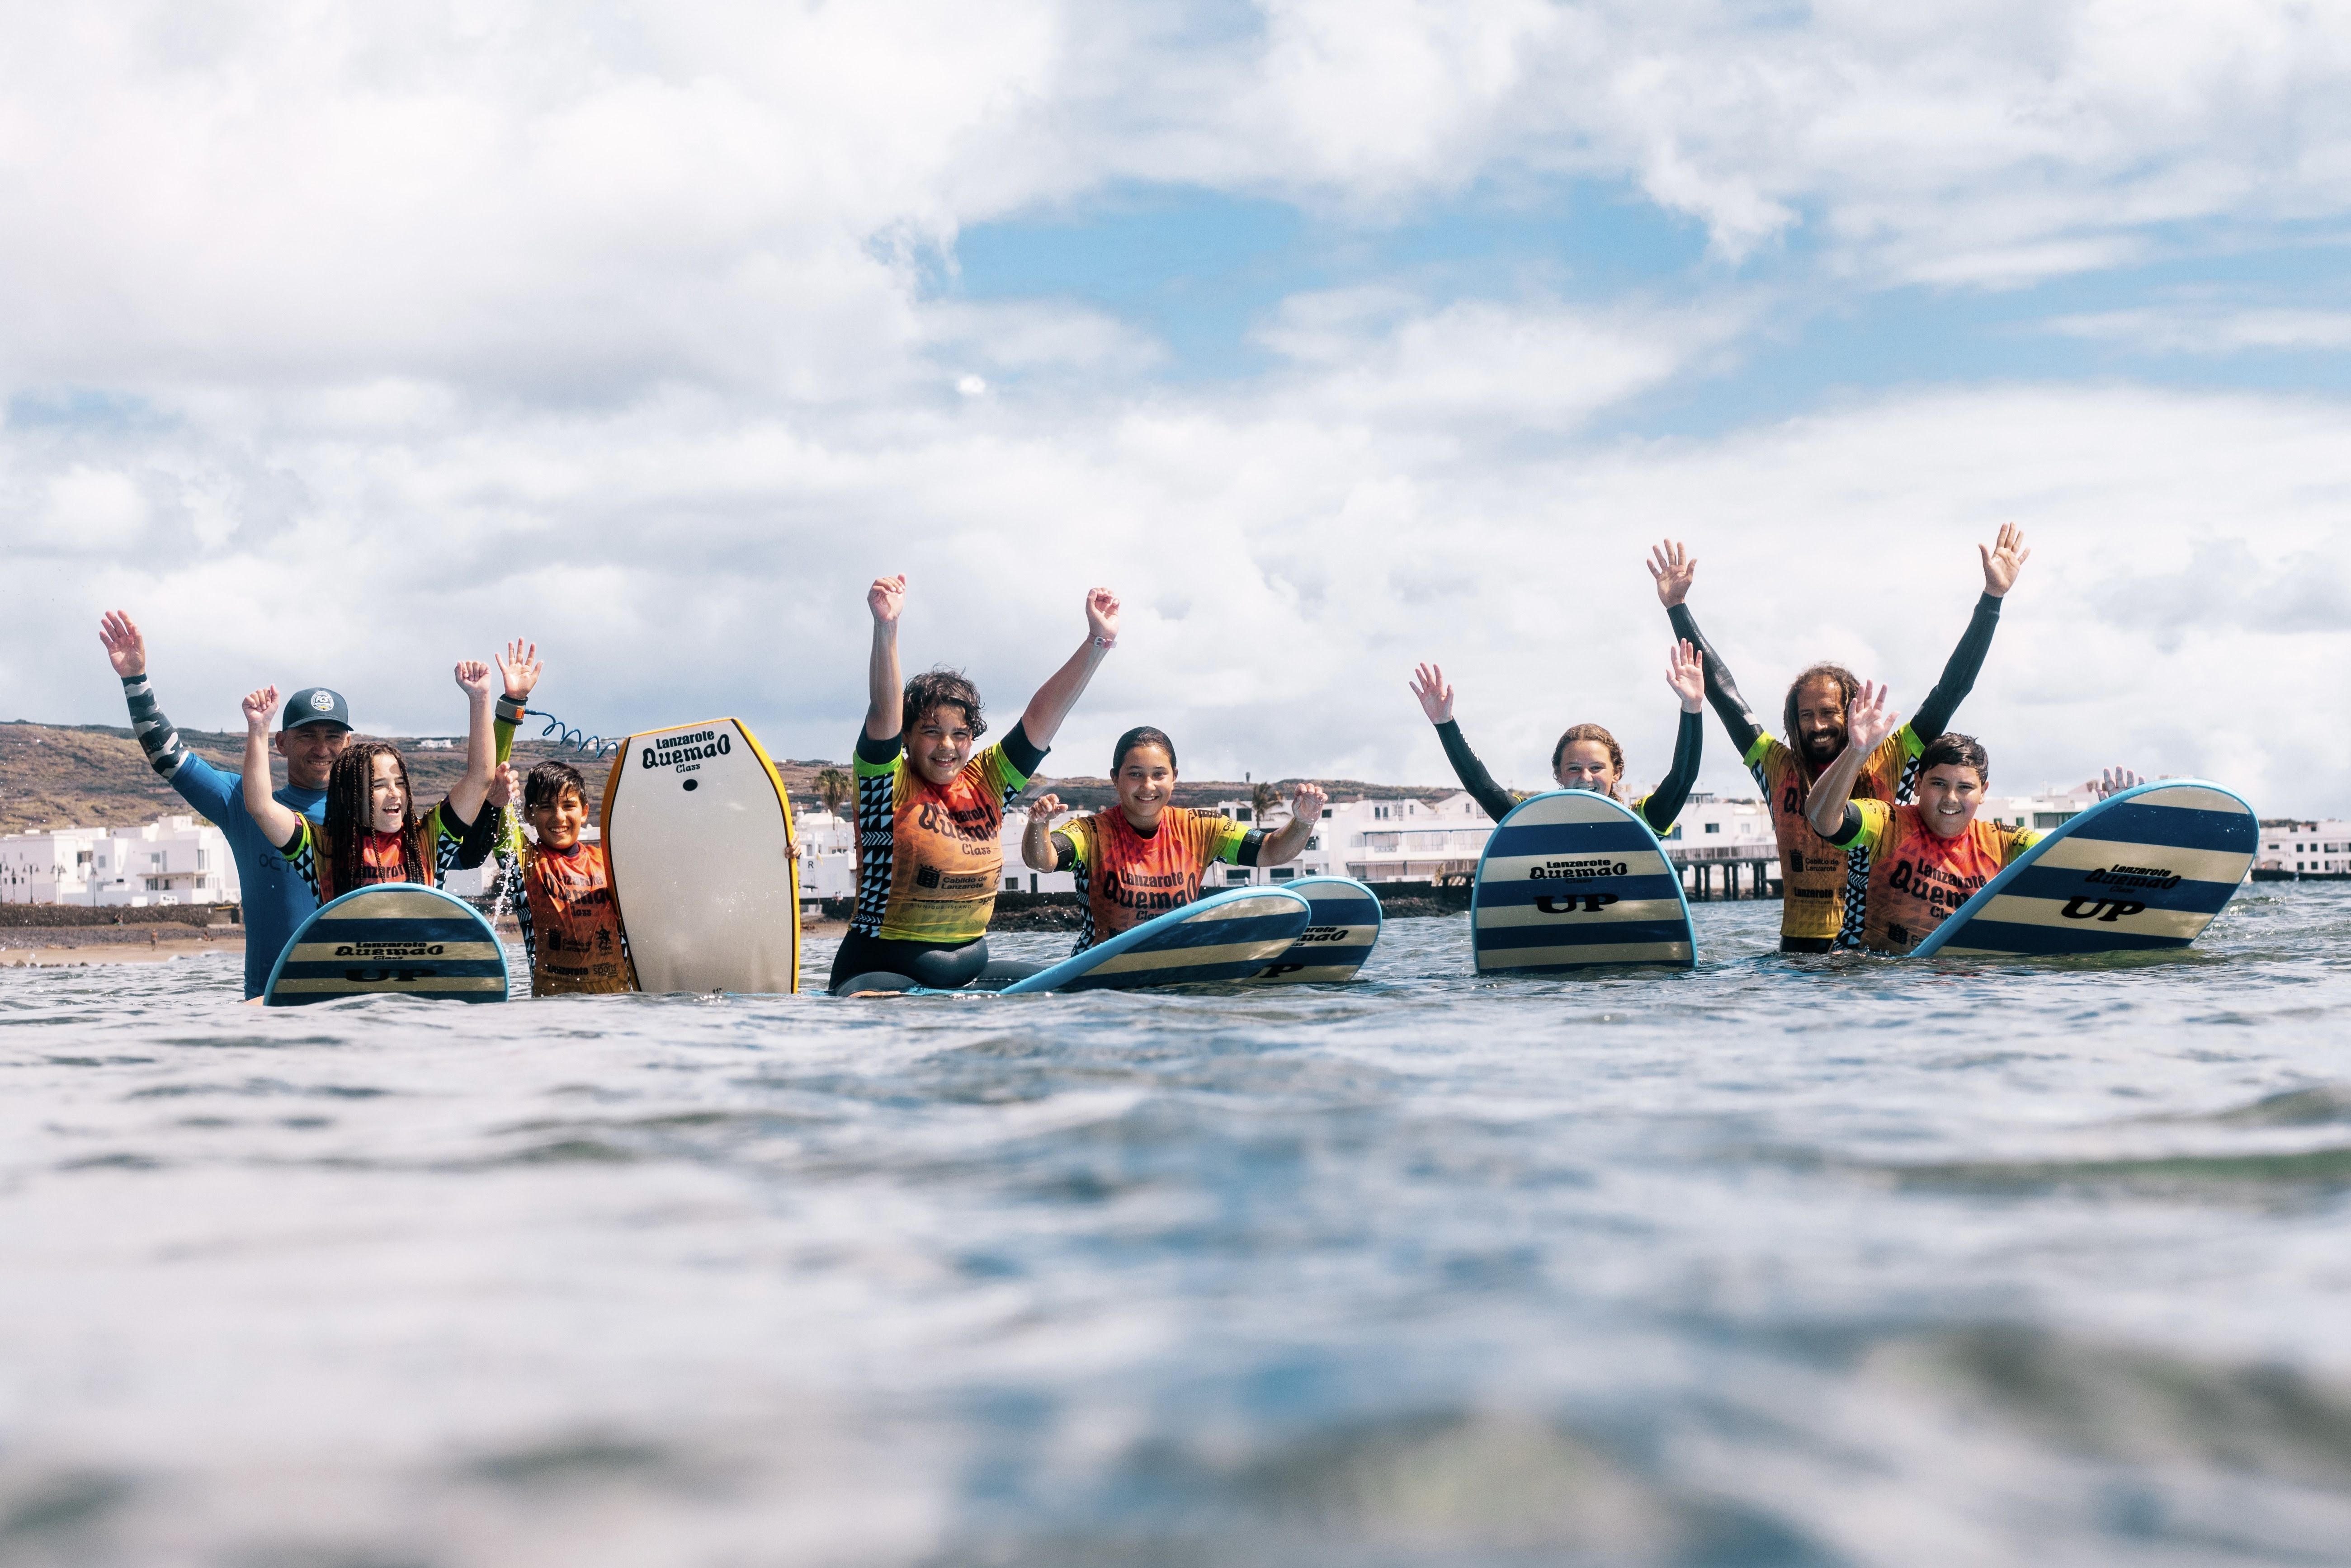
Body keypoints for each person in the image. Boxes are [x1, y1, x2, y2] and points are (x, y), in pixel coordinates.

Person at [1650, 526, 2030, 952]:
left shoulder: (1892, 756)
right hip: (1796, 952)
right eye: (1806, 716)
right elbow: (1724, 692)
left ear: (1851, 710)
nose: (1817, 726)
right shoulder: (1776, 767)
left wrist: (1992, 599)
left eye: (1829, 713)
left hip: (1867, 953)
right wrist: (1677, 608)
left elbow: (1952, 689)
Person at [831, 574, 1121, 994]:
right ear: (908, 738)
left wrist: (1098, 642)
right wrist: (887, 628)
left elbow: (1040, 719)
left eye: (960, 734)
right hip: (879, 974)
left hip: (968, 976)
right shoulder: (886, 786)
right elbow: (884, 712)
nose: (947, 746)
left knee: (1071, 993)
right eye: (931, 731)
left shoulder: (987, 781)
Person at [99, 610, 350, 1000]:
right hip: (269, 1007)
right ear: (281, 743)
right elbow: (170, 759)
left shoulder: (373, 813)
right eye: (308, 736)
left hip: (355, 1007)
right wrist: (135, 679)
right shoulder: (244, 802)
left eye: (333, 736)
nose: (322, 747)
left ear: (347, 744)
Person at [1021, 727, 1330, 954]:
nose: (1148, 786)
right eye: (1135, 774)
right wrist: (1038, 826)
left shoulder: (1202, 828)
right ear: (1115, 778)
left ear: (1174, 776)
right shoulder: (1091, 832)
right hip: (1100, 975)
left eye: (1159, 774)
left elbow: (1272, 850)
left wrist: (1303, 822)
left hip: (1174, 962)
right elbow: (1042, 859)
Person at [236, 656, 508, 905]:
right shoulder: (321, 849)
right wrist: (259, 728)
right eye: (379, 785)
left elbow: (480, 777)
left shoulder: (430, 838)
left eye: (400, 783)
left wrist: (480, 698)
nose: (395, 794)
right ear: (352, 795)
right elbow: (261, 806)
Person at [1803, 682, 2039, 953]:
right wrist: (1856, 753)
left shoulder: (2002, 843)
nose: (1951, 798)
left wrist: (2099, 829)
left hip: (1963, 985)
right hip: (1867, 977)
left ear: (1983, 792)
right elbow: (1821, 819)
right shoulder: (1886, 824)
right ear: (1917, 785)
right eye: (1938, 784)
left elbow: (2067, 851)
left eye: (1965, 788)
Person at [1406, 642, 1706, 834]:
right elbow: (1483, 789)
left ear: (1617, 773)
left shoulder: (1643, 821)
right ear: (1560, 775)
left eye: (1597, 767)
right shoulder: (1537, 821)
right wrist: (1445, 724)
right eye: (1574, 768)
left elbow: (1682, 778)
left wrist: (1692, 708)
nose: (1585, 776)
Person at [482, 757, 632, 995]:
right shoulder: (525, 862)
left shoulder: (609, 863)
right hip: (551, 1012)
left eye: (568, 806)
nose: (559, 816)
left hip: (617, 1007)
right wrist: (507, 722)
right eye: (546, 807)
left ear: (584, 812)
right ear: (529, 814)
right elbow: (496, 797)